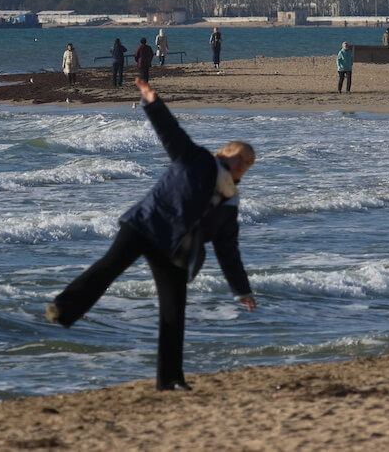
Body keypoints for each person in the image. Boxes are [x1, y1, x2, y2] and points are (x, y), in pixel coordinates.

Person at [46, 77, 258, 391]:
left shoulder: (230, 203)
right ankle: (63, 308)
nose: (243, 165)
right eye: (241, 158)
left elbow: (228, 250)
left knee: (174, 309)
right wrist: (151, 101)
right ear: (224, 152)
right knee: (109, 267)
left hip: (174, 248)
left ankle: (170, 378)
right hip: (146, 223)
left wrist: (241, 289)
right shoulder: (197, 159)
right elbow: (170, 132)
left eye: (248, 164)